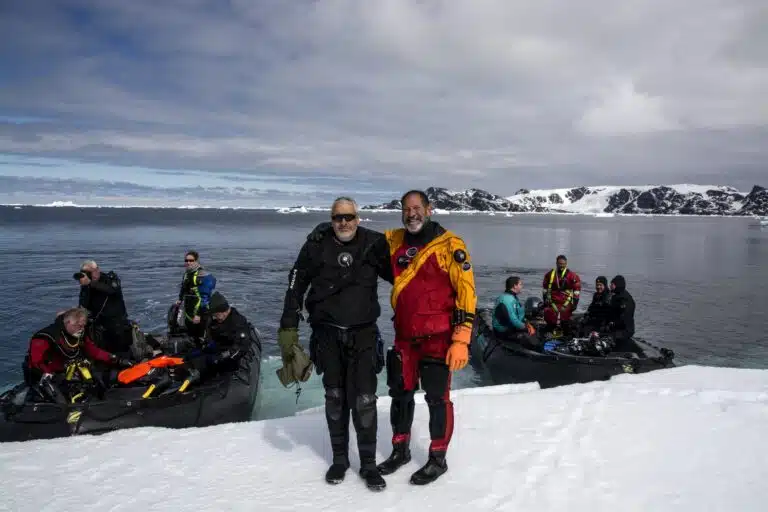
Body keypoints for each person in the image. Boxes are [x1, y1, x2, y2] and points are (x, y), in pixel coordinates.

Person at [277, 197, 391, 491]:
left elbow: (404, 276)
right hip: (326, 333)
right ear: (331, 219)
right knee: (335, 397)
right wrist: (289, 325)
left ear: (358, 217)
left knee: (365, 400)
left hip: (364, 333)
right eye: (338, 217)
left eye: (349, 217)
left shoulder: (374, 244)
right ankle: (340, 460)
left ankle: (368, 465)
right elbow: (295, 281)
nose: (344, 223)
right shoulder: (316, 245)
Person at [376, 190, 477, 486]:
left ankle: (437, 459)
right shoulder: (393, 241)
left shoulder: (450, 245)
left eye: (417, 208)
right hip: (405, 338)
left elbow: (467, 293)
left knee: (437, 399)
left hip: (439, 338)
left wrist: (461, 339)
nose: (412, 214)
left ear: (429, 209)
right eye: (406, 209)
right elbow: (359, 242)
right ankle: (400, 451)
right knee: (400, 394)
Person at [24, 307, 132, 403]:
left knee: (99, 382)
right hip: (48, 376)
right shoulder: (45, 337)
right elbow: (35, 362)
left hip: (70, 372)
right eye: (78, 326)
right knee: (61, 400)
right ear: (68, 323)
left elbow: (94, 351)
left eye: (83, 326)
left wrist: (116, 360)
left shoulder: (80, 334)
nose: (82, 329)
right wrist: (47, 374)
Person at [76, 259, 132, 355]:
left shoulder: (110, 279)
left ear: (97, 269)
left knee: (121, 351)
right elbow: (83, 304)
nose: (88, 275)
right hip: (98, 324)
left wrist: (91, 283)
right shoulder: (86, 286)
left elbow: (111, 290)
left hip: (116, 323)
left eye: (90, 272)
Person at [176, 250, 216, 343]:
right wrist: (180, 299)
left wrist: (198, 315)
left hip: (201, 313)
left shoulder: (203, 276)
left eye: (191, 260)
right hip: (189, 310)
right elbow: (183, 288)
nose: (188, 262)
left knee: (201, 337)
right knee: (191, 335)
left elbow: (205, 298)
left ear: (197, 261)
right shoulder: (186, 274)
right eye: (186, 260)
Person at [492, 276, 539, 349]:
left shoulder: (512, 297)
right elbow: (513, 321)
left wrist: (527, 323)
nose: (522, 286)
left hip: (511, 327)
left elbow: (520, 315)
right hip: (503, 331)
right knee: (531, 339)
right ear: (515, 286)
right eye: (520, 284)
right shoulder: (507, 300)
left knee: (536, 327)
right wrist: (527, 328)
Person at [541, 255, 581, 334]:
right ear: (556, 263)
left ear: (566, 264)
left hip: (565, 303)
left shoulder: (573, 276)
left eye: (564, 264)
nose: (562, 266)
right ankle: (549, 332)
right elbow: (545, 289)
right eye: (560, 264)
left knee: (565, 321)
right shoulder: (549, 275)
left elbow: (577, 290)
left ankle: (565, 334)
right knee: (549, 317)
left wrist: (575, 304)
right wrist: (545, 300)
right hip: (552, 302)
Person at [607, 275, 639, 353]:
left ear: (617, 285)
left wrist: (613, 323)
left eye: (612, 284)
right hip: (616, 327)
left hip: (625, 330)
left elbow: (624, 318)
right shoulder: (616, 296)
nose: (610, 286)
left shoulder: (625, 300)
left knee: (609, 338)